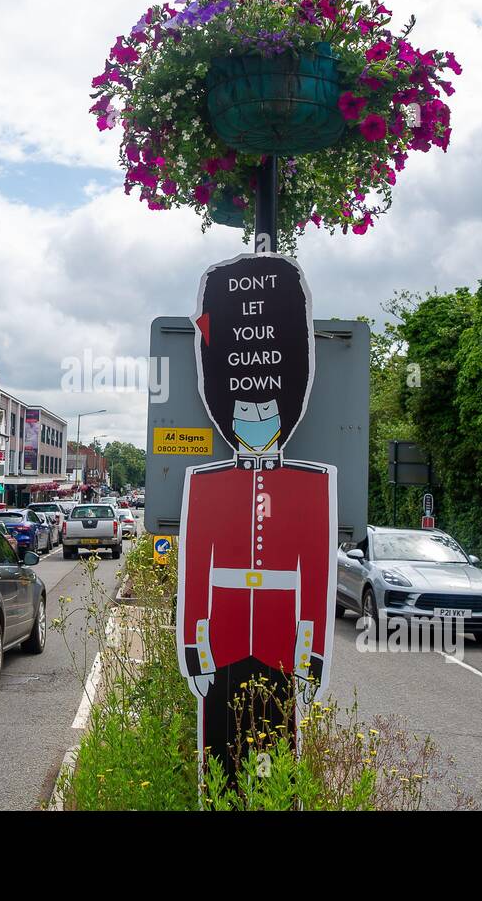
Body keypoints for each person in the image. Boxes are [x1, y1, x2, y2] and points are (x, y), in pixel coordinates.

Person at [177, 253, 337, 784]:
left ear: (282, 414)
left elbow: (313, 577)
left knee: (274, 766)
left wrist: (309, 656)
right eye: (244, 413)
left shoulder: (311, 487)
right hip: (221, 643)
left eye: (264, 412)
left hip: (279, 646)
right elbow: (198, 574)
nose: (253, 421)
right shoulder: (206, 485)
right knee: (219, 765)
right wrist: (196, 654)